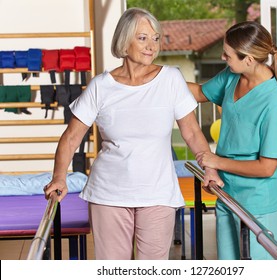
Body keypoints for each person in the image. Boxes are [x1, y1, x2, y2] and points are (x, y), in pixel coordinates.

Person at [44, 7, 222, 260]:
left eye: (155, 38)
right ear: (124, 42)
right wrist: (59, 177)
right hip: (108, 194)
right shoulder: (101, 86)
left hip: (158, 193)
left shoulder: (171, 79)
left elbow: (192, 132)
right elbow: (72, 136)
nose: (151, 45)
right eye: (142, 38)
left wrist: (210, 169)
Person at [188, 21, 277, 260]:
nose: (222, 57)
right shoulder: (232, 76)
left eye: (227, 54)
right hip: (228, 194)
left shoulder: (272, 102)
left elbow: (267, 168)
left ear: (248, 59)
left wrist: (216, 162)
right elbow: (198, 92)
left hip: (260, 203)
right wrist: (158, 77)